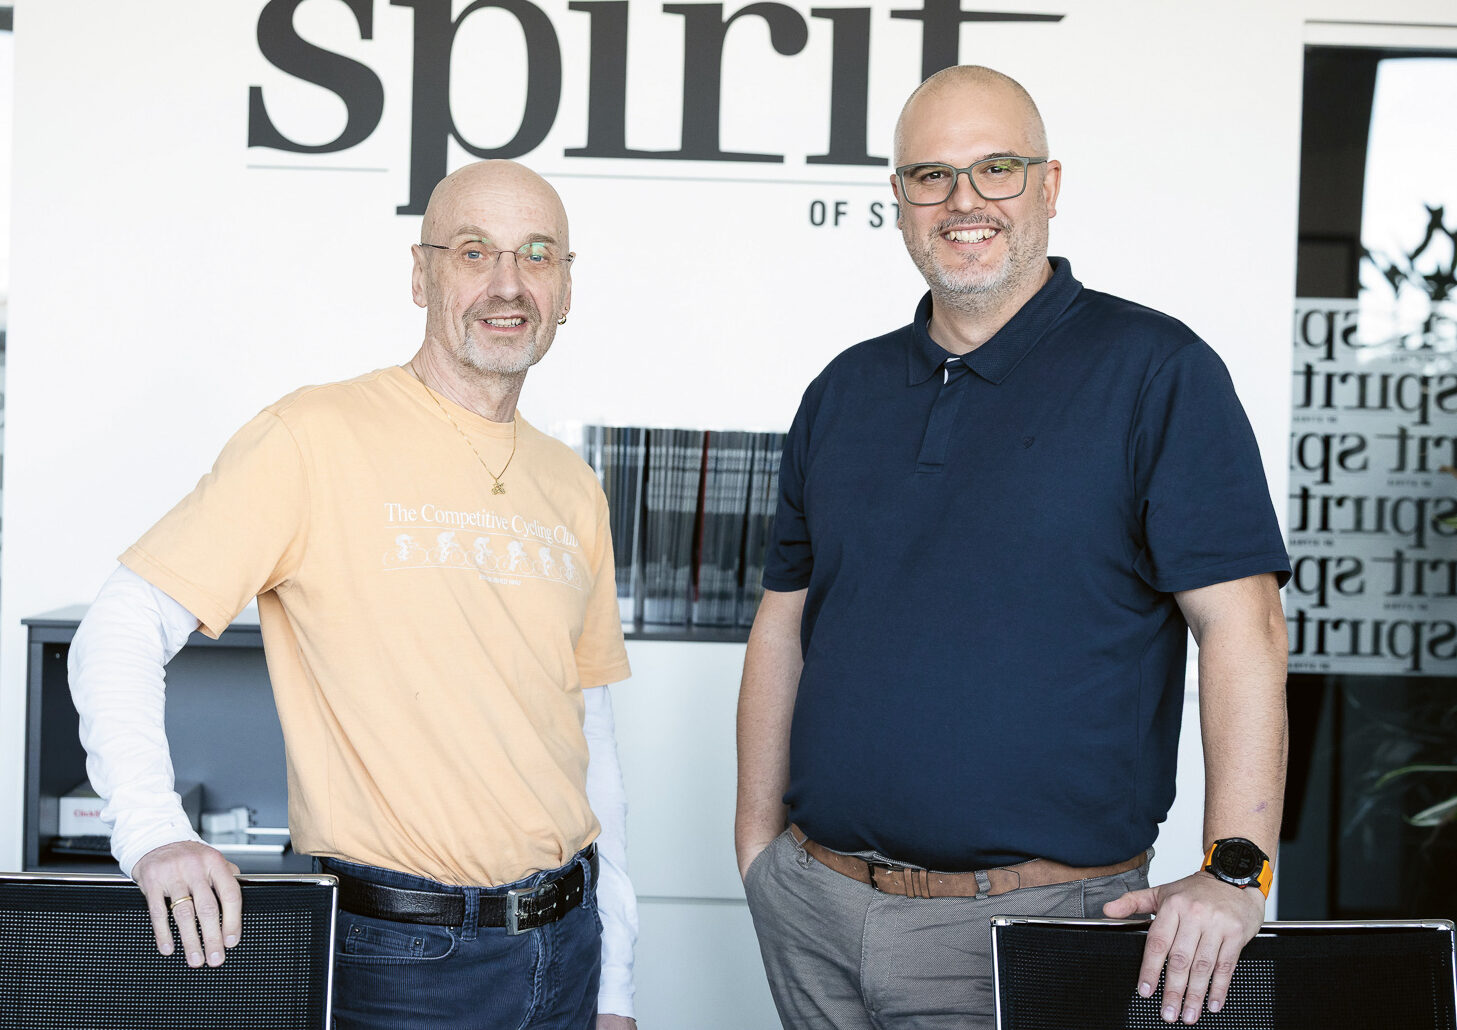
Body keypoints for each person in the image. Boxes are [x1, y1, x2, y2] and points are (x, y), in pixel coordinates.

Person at [735, 65, 1290, 1029]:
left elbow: (1245, 628)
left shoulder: (1155, 372)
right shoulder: (844, 390)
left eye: (996, 168)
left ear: (1049, 184)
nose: (964, 202)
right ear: (899, 200)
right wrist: (757, 850)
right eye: (931, 176)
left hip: (1037, 923)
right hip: (815, 910)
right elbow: (784, 624)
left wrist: (1236, 871)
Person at [69, 160, 639, 1030]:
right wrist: (151, 830)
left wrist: (614, 983)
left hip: (567, 946)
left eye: (536, 254)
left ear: (565, 288)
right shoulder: (311, 436)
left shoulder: (572, 484)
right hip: (404, 962)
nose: (507, 283)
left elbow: (589, 731)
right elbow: (120, 623)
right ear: (421, 276)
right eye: (473, 251)